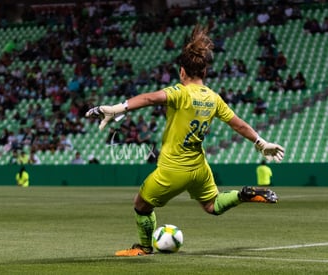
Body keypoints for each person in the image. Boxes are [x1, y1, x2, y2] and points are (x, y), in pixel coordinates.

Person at [86, 25, 285, 257]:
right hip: (199, 168)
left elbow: (151, 98)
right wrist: (261, 143)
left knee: (141, 204)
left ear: (182, 72)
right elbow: (238, 124)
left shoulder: (180, 92)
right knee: (213, 205)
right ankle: (243, 194)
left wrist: (117, 108)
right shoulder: (213, 97)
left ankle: (143, 247)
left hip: (172, 169)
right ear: (205, 73)